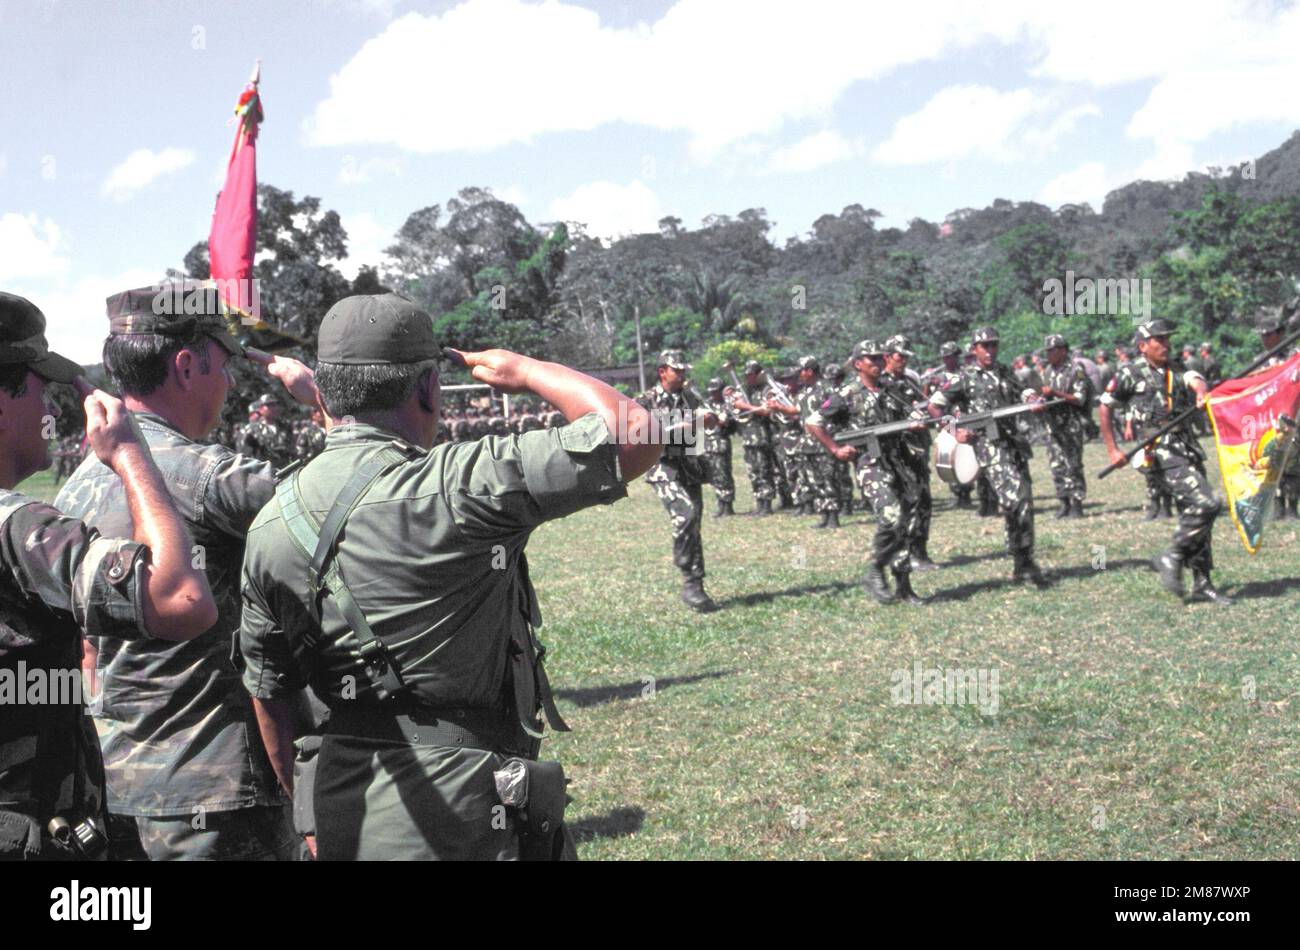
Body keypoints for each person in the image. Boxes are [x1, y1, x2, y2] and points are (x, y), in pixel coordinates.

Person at [238, 292, 664, 860]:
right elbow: (635, 431)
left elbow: (269, 691)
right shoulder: (460, 485)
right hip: (464, 811)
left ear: (328, 392)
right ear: (427, 389)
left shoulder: (272, 518)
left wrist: (309, 812)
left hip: (346, 812)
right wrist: (528, 370)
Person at [56, 282, 319, 861]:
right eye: (223, 364)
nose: (228, 384)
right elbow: (360, 506)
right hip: (215, 796)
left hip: (115, 787)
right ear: (185, 366)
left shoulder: (76, 486)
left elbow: (84, 653)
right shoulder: (213, 477)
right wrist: (323, 405)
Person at [0, 291, 216, 861]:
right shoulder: (19, 530)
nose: (53, 403)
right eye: (39, 384)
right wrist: (130, 456)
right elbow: (180, 599)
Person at [1100, 318, 1229, 605]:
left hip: (1187, 447)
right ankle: (1171, 556)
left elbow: (1195, 378)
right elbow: (1104, 406)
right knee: (1207, 503)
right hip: (1159, 452)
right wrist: (1112, 449)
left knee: (1195, 514)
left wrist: (1200, 391)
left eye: (1167, 339)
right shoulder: (1129, 373)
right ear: (1143, 346)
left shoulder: (1176, 368)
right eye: (1159, 340)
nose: (1166, 344)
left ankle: (1202, 582)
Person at [929, 326, 1049, 587]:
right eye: (985, 346)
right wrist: (954, 430)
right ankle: (1024, 561)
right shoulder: (964, 377)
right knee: (1019, 499)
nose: (990, 350)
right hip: (988, 446)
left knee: (1019, 499)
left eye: (994, 345)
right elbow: (935, 406)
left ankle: (1021, 559)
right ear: (974, 350)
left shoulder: (1005, 371)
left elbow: (1021, 390)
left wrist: (1032, 397)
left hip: (1013, 443)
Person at [807, 340, 923, 604]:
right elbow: (813, 422)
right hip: (870, 464)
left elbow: (912, 412)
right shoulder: (846, 394)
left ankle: (903, 585)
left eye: (881, 359)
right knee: (891, 516)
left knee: (906, 521)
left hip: (899, 461)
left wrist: (915, 422)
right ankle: (875, 568)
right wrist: (835, 449)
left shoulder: (892, 390)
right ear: (858, 363)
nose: (879, 364)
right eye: (872, 360)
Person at [637, 349, 720, 611]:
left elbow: (710, 423)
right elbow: (633, 431)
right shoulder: (645, 399)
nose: (683, 374)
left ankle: (695, 585)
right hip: (663, 467)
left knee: (693, 523)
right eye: (678, 370)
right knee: (685, 514)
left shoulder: (690, 397)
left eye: (685, 370)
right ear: (663, 371)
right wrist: (676, 426)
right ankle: (687, 572)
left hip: (690, 466)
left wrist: (710, 419)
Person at [881, 336, 937, 569]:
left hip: (917, 448)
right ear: (887, 357)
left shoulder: (910, 380)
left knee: (923, 500)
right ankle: (901, 553)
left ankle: (919, 551)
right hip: (894, 452)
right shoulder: (879, 383)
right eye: (899, 356)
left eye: (905, 357)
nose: (903, 361)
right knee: (903, 503)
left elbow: (926, 405)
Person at [776, 356, 839, 528]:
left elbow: (835, 410)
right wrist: (778, 408)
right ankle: (824, 514)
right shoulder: (805, 391)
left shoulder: (826, 389)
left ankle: (833, 516)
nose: (800, 375)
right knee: (815, 480)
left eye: (802, 371)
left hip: (823, 442)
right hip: (807, 443)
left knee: (828, 479)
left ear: (810, 371)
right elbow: (798, 411)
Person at [1255, 307, 1300, 519]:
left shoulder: (1295, 357)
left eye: (1269, 334)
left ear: (1280, 333)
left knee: (1292, 463)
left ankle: (1292, 507)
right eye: (1262, 335)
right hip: (1268, 419)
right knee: (1271, 461)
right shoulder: (1260, 360)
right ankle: (1277, 505)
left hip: (1292, 416)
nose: (1265, 339)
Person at [1039, 333, 1090, 518]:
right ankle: (1063, 502)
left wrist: (1056, 393)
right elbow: (1044, 392)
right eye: (1048, 351)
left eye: (1052, 351)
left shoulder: (1075, 370)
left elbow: (1079, 399)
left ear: (1063, 350)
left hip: (1071, 424)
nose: (1049, 355)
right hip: (1053, 425)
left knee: (1073, 465)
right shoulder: (1047, 371)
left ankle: (1077, 503)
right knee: (1056, 465)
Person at [728, 360, 777, 516]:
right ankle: (759, 502)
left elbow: (766, 411)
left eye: (751, 375)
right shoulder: (746, 391)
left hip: (761, 437)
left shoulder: (766, 390)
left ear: (758, 375)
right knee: (753, 472)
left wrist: (746, 407)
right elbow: (736, 413)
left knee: (764, 470)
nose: (748, 378)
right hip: (748, 438)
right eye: (746, 375)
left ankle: (767, 503)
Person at [701, 378, 737, 517]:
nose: (713, 394)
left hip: (721, 444)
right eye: (711, 391)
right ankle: (720, 504)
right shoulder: (707, 404)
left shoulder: (726, 405)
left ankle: (728, 505)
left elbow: (724, 421)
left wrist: (715, 418)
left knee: (724, 474)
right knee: (715, 476)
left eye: (716, 391)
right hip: (709, 444)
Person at [236, 393, 293, 469]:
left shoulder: (285, 426)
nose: (274, 408)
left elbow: (293, 450)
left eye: (275, 404)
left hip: (289, 469)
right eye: (269, 405)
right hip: (267, 474)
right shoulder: (251, 430)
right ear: (260, 409)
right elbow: (244, 457)